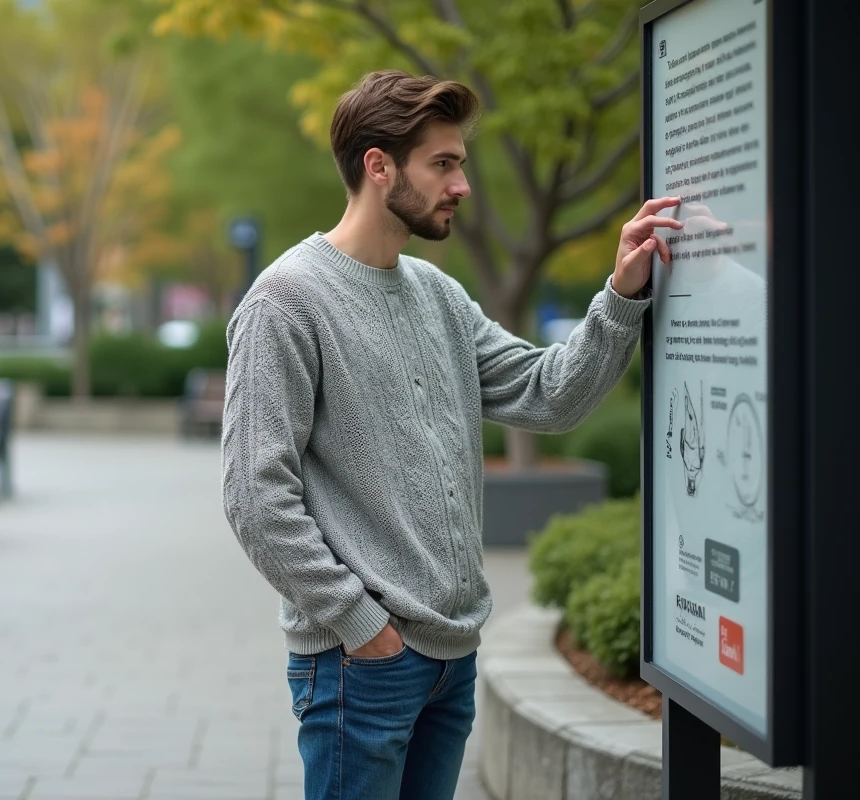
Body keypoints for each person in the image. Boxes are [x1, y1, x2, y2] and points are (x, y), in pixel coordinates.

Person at [219, 70, 681, 800]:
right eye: (444, 163)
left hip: (450, 657)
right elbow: (254, 494)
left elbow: (550, 394)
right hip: (360, 662)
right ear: (379, 166)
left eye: (459, 163)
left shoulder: (438, 294)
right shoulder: (285, 302)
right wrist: (360, 623)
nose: (462, 184)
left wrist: (622, 295)